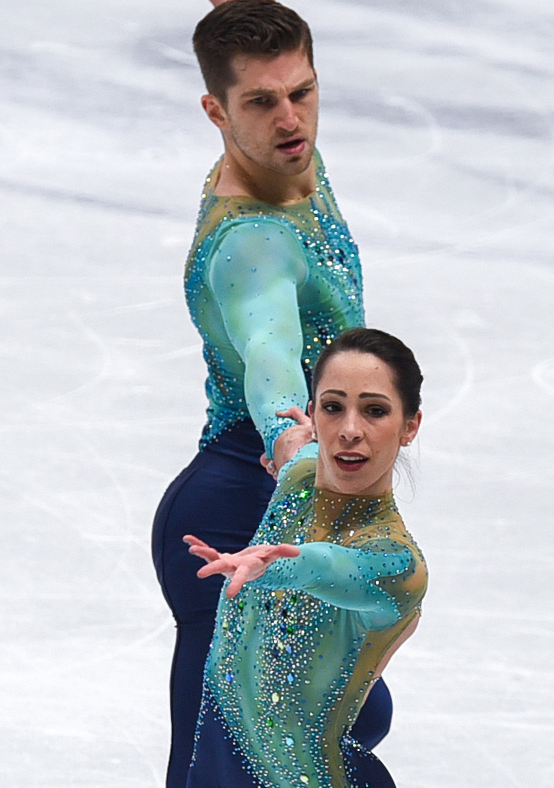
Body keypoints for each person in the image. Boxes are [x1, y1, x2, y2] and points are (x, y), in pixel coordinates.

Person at [151, 0, 389, 788]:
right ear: (215, 112)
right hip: (237, 516)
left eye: (303, 91)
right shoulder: (256, 243)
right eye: (261, 101)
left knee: (336, 727)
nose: (293, 119)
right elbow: (266, 354)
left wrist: (243, 15)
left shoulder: (284, 157)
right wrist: (292, 436)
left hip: (288, 508)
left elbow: (273, 97)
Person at [184, 328, 429, 788]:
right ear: (314, 414)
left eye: (375, 411)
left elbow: (330, 566)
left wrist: (275, 565)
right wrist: (286, 440)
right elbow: (273, 395)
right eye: (334, 407)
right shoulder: (298, 470)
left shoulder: (397, 562)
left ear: (410, 425)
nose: (351, 430)